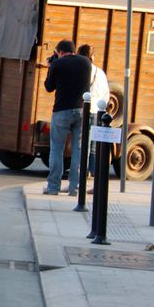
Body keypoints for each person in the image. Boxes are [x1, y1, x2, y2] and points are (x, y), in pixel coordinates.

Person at [43, 39, 91, 195]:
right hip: (82, 110)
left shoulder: (58, 64)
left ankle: (53, 187)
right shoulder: (86, 63)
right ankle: (74, 188)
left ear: (61, 52)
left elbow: (49, 87)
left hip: (61, 111)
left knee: (57, 149)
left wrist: (51, 67)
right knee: (78, 149)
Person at [78, 43, 109, 180]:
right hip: (97, 112)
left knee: (83, 145)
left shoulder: (80, 70)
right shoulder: (100, 73)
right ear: (93, 57)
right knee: (94, 146)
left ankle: (82, 174)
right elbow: (106, 94)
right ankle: (94, 176)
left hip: (83, 111)